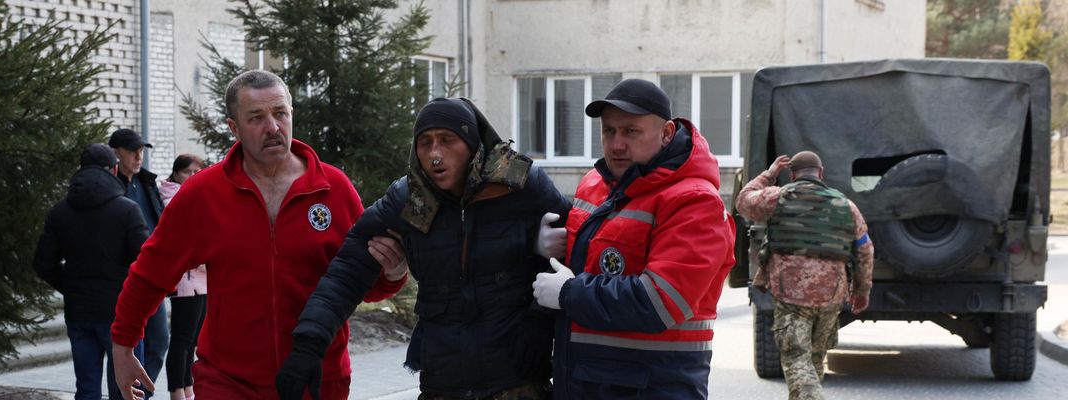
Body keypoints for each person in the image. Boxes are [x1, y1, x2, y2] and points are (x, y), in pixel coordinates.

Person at [109, 70, 407, 400]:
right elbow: (150, 274)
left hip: (318, 378)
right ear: (234, 128)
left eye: (280, 113)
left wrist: (393, 274)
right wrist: (123, 346)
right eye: (256, 117)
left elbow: (365, 285)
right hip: (228, 381)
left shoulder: (333, 189)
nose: (273, 127)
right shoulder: (203, 194)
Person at [275, 98, 571, 400]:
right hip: (443, 383)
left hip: (517, 381)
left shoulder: (518, 184)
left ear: (472, 144)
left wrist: (539, 320)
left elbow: (575, 251)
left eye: (447, 141)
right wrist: (310, 343)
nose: (434, 155)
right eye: (425, 143)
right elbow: (347, 271)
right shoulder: (409, 199)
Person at [531, 78, 736, 399]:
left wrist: (569, 293)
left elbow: (660, 302)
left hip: (655, 385)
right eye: (609, 131)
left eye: (631, 131)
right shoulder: (595, 184)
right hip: (586, 381)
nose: (616, 144)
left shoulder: (695, 201)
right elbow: (593, 267)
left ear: (667, 133)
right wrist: (550, 250)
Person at [735, 151, 874, 400]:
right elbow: (865, 248)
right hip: (831, 296)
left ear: (792, 173)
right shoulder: (846, 205)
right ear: (820, 173)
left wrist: (770, 173)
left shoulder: (777, 198)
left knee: (797, 360)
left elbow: (743, 201)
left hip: (791, 296)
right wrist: (861, 292)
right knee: (813, 361)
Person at [32, 144, 148, 400]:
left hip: (79, 311)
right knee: (127, 389)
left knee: (86, 388)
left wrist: (71, 286)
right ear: (115, 169)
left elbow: (43, 263)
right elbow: (144, 261)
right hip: (121, 312)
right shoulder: (127, 210)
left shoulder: (60, 212)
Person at [109, 127, 170, 393]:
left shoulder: (146, 183)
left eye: (141, 150)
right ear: (116, 153)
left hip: (152, 275)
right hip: (123, 279)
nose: (138, 156)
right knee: (128, 348)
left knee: (159, 341)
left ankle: (140, 396)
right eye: (132, 151)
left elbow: (162, 222)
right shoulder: (111, 187)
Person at [156, 154, 207, 400]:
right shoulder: (171, 198)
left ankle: (188, 388)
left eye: (198, 171)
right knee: (182, 339)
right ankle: (177, 391)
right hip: (185, 280)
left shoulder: (198, 196)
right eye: (188, 171)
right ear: (176, 173)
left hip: (203, 280)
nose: (193, 176)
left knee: (193, 340)